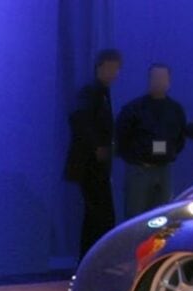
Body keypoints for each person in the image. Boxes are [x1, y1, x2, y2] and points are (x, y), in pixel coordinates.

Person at [65, 49, 121, 258]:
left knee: (98, 217)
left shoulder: (102, 93)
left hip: (98, 166)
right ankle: (92, 261)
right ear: (100, 66)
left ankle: (93, 261)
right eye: (111, 68)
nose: (115, 73)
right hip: (90, 166)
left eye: (117, 69)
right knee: (100, 216)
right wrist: (97, 146)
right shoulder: (90, 92)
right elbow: (78, 118)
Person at [116, 63, 187, 218]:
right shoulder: (133, 109)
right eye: (155, 77)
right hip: (139, 171)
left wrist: (168, 152)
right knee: (136, 217)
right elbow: (121, 138)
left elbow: (181, 136)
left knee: (162, 218)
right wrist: (138, 156)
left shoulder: (175, 109)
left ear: (169, 81)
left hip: (164, 171)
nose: (158, 81)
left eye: (162, 78)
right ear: (149, 80)